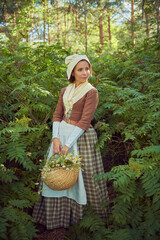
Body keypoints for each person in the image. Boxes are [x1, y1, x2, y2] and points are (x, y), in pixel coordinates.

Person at [32, 54, 108, 230]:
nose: (85, 72)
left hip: (81, 138)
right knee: (57, 174)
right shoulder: (65, 91)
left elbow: (84, 121)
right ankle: (57, 220)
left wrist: (67, 145)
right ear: (72, 72)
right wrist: (56, 139)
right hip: (62, 136)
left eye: (87, 69)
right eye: (80, 69)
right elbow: (57, 115)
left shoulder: (91, 91)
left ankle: (86, 223)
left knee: (83, 176)